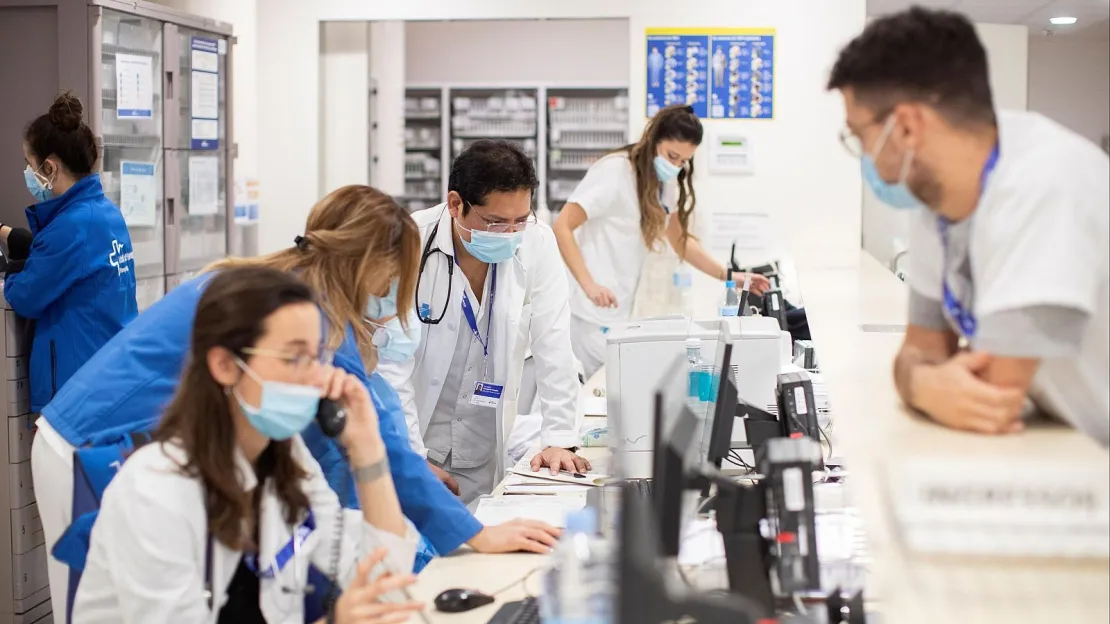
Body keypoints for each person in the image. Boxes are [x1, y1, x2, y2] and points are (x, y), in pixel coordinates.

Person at [35, 186, 562, 619]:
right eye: (393, 277)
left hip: (165, 447)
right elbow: (379, 440)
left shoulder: (298, 299)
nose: (396, 290)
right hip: (91, 442)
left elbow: (369, 448)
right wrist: (475, 533)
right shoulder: (301, 315)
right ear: (365, 267)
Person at [72, 267, 423, 623]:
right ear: (225, 365)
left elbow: (387, 588)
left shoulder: (284, 458)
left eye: (318, 357)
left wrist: (368, 450)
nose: (318, 377)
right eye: (294, 358)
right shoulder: (155, 490)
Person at [827, 7, 1109, 444]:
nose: (862, 152)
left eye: (859, 134)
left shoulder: (1048, 182)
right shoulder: (936, 201)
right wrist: (922, 383)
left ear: (906, 127)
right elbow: (919, 351)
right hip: (1070, 441)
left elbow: (994, 395)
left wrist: (919, 383)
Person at [377, 140, 585, 504]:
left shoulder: (536, 241)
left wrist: (558, 439)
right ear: (456, 204)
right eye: (495, 222)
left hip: (485, 439)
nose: (510, 233)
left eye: (520, 220)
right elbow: (393, 366)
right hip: (419, 434)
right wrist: (411, 456)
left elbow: (553, 342)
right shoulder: (409, 241)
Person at [552, 104, 770, 378]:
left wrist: (730, 276)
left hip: (617, 311)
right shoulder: (615, 172)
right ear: (653, 139)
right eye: (672, 155)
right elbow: (562, 225)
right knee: (597, 391)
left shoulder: (664, 184)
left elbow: (680, 241)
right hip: (588, 315)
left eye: (683, 161)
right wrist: (588, 284)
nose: (675, 165)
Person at [2, 92, 137, 412]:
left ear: (49, 167)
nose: (27, 173)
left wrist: (11, 272)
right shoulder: (105, 213)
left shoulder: (71, 228)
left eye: (29, 164)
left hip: (76, 392)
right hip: (108, 377)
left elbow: (24, 296)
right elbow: (71, 265)